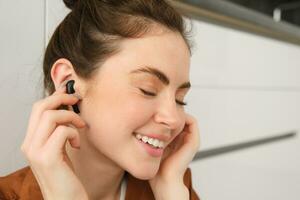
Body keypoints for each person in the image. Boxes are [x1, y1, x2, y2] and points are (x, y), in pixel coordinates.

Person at [0, 0, 200, 199]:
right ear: (69, 82)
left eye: (179, 100)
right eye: (147, 90)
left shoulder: (175, 187)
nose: (173, 119)